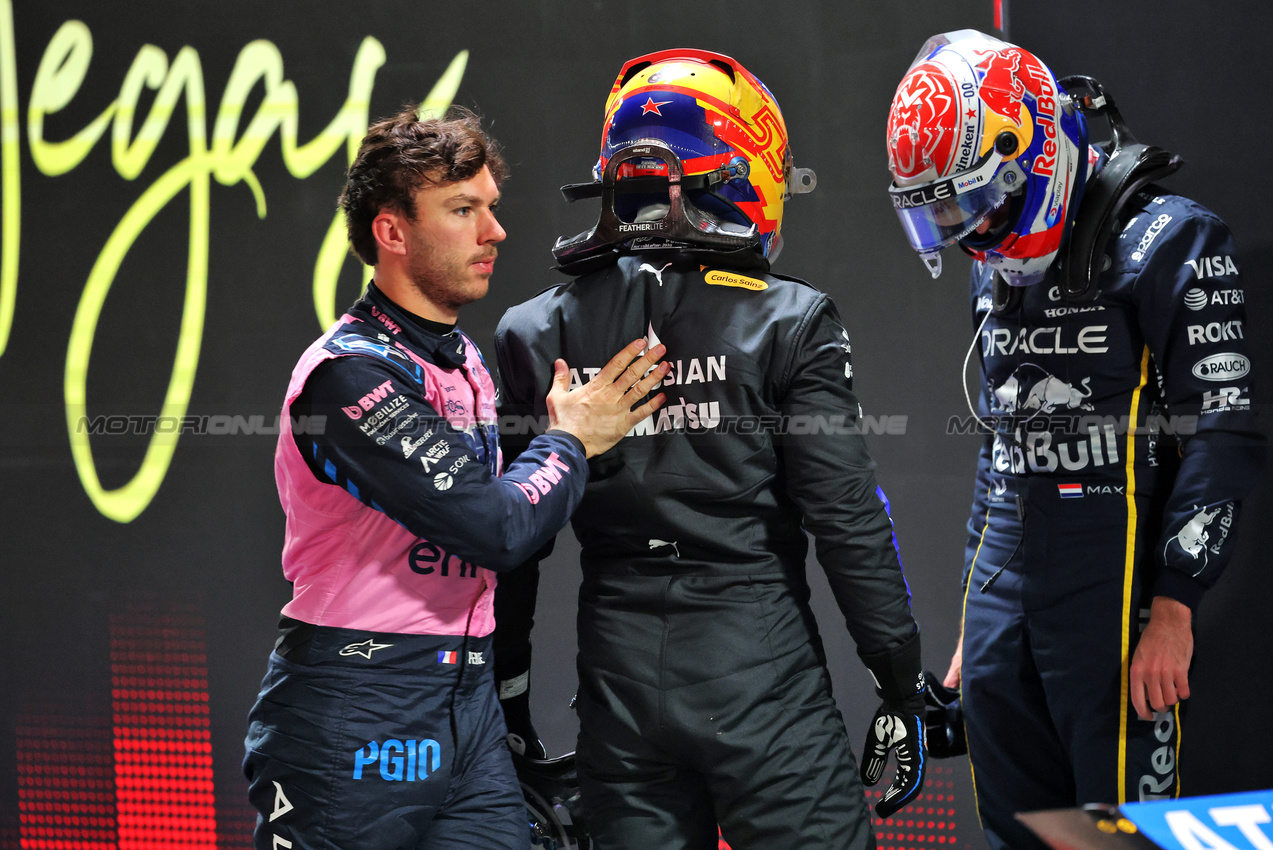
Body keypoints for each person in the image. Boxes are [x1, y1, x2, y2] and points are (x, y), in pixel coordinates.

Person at [493, 50, 926, 850]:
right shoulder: (790, 319)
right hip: (760, 674)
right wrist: (900, 683)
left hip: (615, 688)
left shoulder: (532, 330)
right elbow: (847, 519)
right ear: (738, 167)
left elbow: (511, 546)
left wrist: (508, 699)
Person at [241, 105, 670, 850]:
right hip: (355, 706)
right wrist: (569, 441)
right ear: (392, 231)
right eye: (462, 210)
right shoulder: (348, 376)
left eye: (490, 208)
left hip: (463, 706)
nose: (493, 232)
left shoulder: (463, 360)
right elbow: (493, 528)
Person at [884, 29, 1263, 850]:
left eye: (973, 202)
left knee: (1117, 835)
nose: (969, 232)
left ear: (1027, 148)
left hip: (1117, 590)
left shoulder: (1171, 236)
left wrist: (1174, 607)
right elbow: (999, 445)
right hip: (1007, 588)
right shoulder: (994, 262)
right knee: (1015, 827)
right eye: (945, 213)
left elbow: (1222, 429)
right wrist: (974, 615)